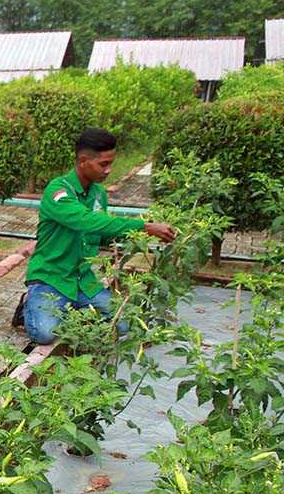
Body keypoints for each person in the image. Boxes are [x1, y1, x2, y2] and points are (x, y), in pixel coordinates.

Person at [21, 127, 176, 344]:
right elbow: (86, 221)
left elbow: (100, 232)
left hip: (83, 282)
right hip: (51, 280)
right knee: (46, 334)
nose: (108, 170)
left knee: (124, 323)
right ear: (83, 160)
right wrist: (145, 226)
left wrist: (137, 240)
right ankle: (28, 305)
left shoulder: (97, 193)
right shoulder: (58, 191)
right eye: (104, 164)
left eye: (111, 163)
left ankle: (68, 310)